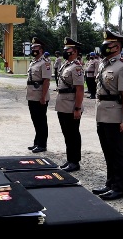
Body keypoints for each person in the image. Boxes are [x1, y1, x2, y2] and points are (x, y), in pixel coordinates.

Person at [92, 30, 123, 201]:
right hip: (102, 113)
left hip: (115, 114)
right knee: (107, 151)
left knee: (116, 152)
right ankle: (109, 184)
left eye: (108, 44)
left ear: (117, 46)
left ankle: (118, 188)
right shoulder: (104, 64)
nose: (105, 46)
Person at [55, 37, 84, 172]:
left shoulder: (76, 67)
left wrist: (77, 108)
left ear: (75, 51)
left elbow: (79, 89)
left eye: (68, 49)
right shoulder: (65, 65)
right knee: (67, 134)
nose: (65, 51)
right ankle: (69, 159)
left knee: (73, 134)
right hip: (62, 104)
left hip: (72, 105)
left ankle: (75, 161)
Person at [26, 37, 52, 153]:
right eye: (32, 48)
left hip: (40, 96)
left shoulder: (45, 62)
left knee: (41, 120)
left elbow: (46, 81)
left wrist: (43, 96)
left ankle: (42, 144)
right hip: (32, 95)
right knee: (35, 120)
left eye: (35, 47)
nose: (33, 49)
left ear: (41, 49)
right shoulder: (33, 62)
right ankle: (37, 142)